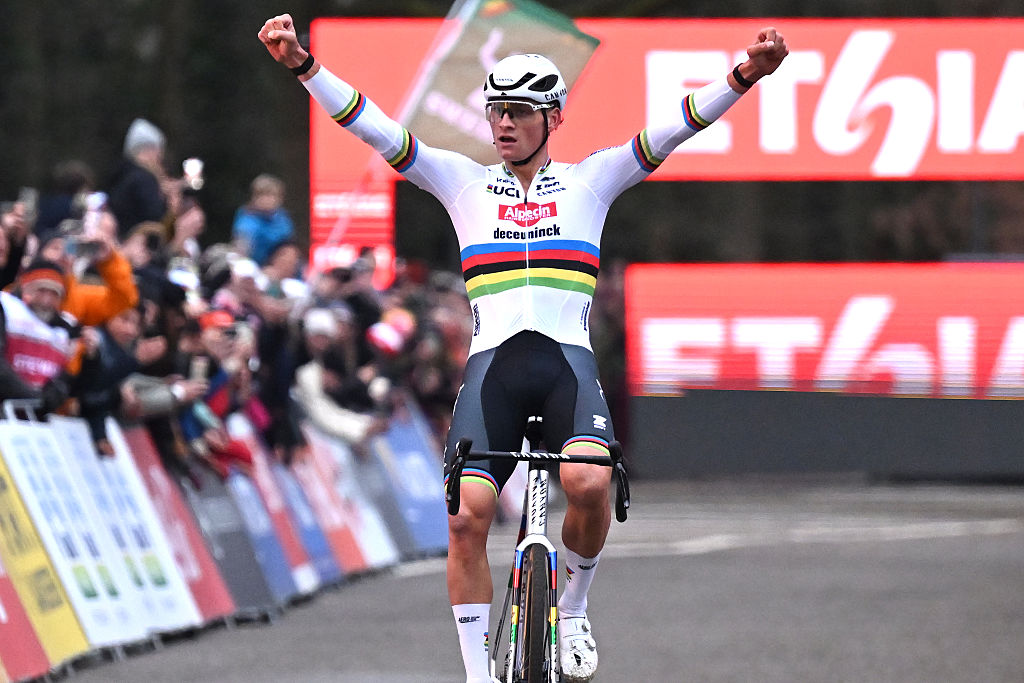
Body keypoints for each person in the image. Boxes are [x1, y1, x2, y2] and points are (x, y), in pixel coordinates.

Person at [260, 14, 788, 683]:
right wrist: (304, 65)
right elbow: (373, 125)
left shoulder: (593, 180)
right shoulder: (462, 182)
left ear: (554, 118)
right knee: (465, 520)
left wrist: (746, 72)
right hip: (493, 374)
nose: (502, 124)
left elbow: (678, 124)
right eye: (494, 112)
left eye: (518, 112)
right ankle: (480, 675)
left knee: (589, 481)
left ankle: (572, 606)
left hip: (566, 366)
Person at [232, 173, 295, 266]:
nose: (269, 200)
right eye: (264, 195)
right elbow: (242, 249)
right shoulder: (247, 220)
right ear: (254, 198)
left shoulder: (283, 218)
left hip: (282, 269)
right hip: (256, 268)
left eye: (273, 196)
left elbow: (289, 246)